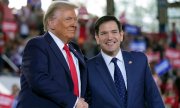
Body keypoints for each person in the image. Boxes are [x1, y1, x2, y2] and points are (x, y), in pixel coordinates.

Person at [17, 1, 88, 108]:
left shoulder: (75, 49)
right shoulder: (37, 45)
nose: (74, 24)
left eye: (75, 19)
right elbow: (39, 79)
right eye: (68, 19)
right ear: (51, 23)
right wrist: (74, 101)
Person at [87, 16, 165, 108]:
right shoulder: (88, 68)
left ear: (121, 35)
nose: (110, 37)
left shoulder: (140, 61)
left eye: (114, 32)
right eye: (104, 33)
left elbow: (154, 99)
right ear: (97, 38)